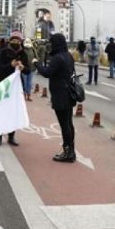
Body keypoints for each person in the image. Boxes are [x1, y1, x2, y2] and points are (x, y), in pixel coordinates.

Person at [34, 33, 76, 162]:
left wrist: (37, 63)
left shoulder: (57, 58)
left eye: (51, 43)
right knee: (69, 123)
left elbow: (47, 73)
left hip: (60, 94)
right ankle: (71, 150)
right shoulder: (68, 55)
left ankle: (68, 152)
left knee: (64, 124)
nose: (50, 45)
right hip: (69, 92)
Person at [0, 31, 30, 146]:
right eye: (13, 40)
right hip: (4, 85)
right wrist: (10, 65)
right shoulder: (3, 52)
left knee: (14, 111)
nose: (15, 42)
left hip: (16, 87)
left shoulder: (23, 53)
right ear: (10, 40)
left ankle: (11, 136)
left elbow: (28, 70)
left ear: (21, 42)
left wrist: (23, 67)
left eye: (18, 40)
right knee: (2, 111)